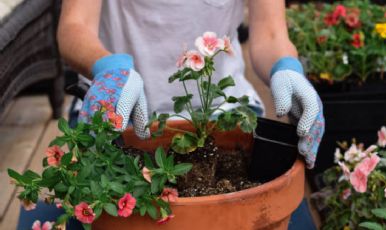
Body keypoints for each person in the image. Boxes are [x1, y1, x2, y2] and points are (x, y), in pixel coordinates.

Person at [18, 0, 323, 229]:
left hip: (223, 113)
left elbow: (270, 33)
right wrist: (108, 68)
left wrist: (287, 69)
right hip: (116, 109)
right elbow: (74, 27)